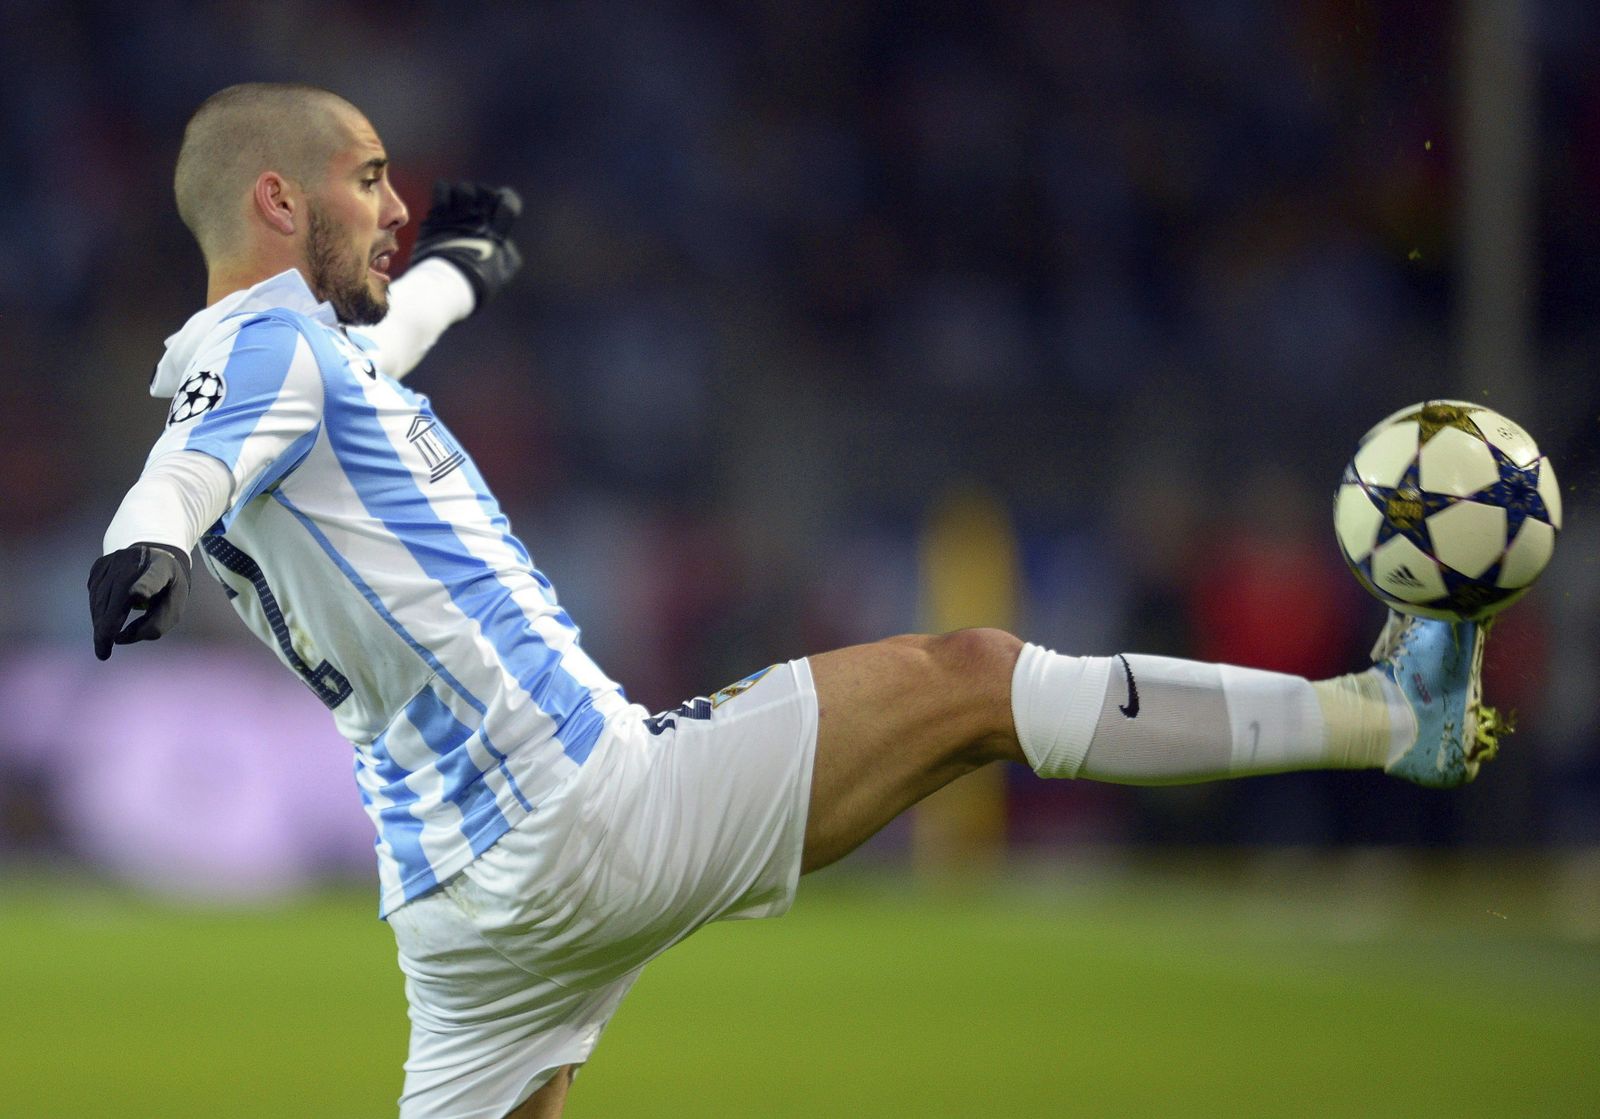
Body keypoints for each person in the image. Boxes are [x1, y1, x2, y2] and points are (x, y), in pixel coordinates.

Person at [88, 83, 1506, 1119]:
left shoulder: (299, 363)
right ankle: (1393, 715)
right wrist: (142, 550)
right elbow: (179, 478)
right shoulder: (266, 356)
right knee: (973, 678)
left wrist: (459, 270)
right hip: (577, 818)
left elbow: (365, 350)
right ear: (277, 200)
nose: (396, 203)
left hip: (457, 909)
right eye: (369, 178)